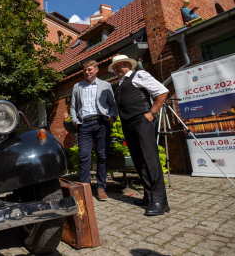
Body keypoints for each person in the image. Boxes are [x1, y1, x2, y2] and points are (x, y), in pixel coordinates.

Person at [108, 55, 170, 216]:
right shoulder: (119, 84)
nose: (116, 69)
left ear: (128, 65)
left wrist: (151, 113)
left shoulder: (139, 75)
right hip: (128, 124)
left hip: (142, 120)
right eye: (114, 68)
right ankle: (148, 196)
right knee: (139, 160)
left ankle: (160, 202)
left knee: (150, 160)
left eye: (119, 66)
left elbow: (162, 91)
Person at [70, 60, 117, 201]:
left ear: (97, 69)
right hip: (84, 125)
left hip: (101, 123)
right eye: (85, 70)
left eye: (90, 69)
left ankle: (101, 188)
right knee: (84, 156)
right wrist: (75, 121)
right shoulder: (77, 86)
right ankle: (86, 188)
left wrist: (112, 118)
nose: (87, 72)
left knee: (102, 156)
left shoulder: (105, 85)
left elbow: (112, 104)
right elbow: (73, 107)